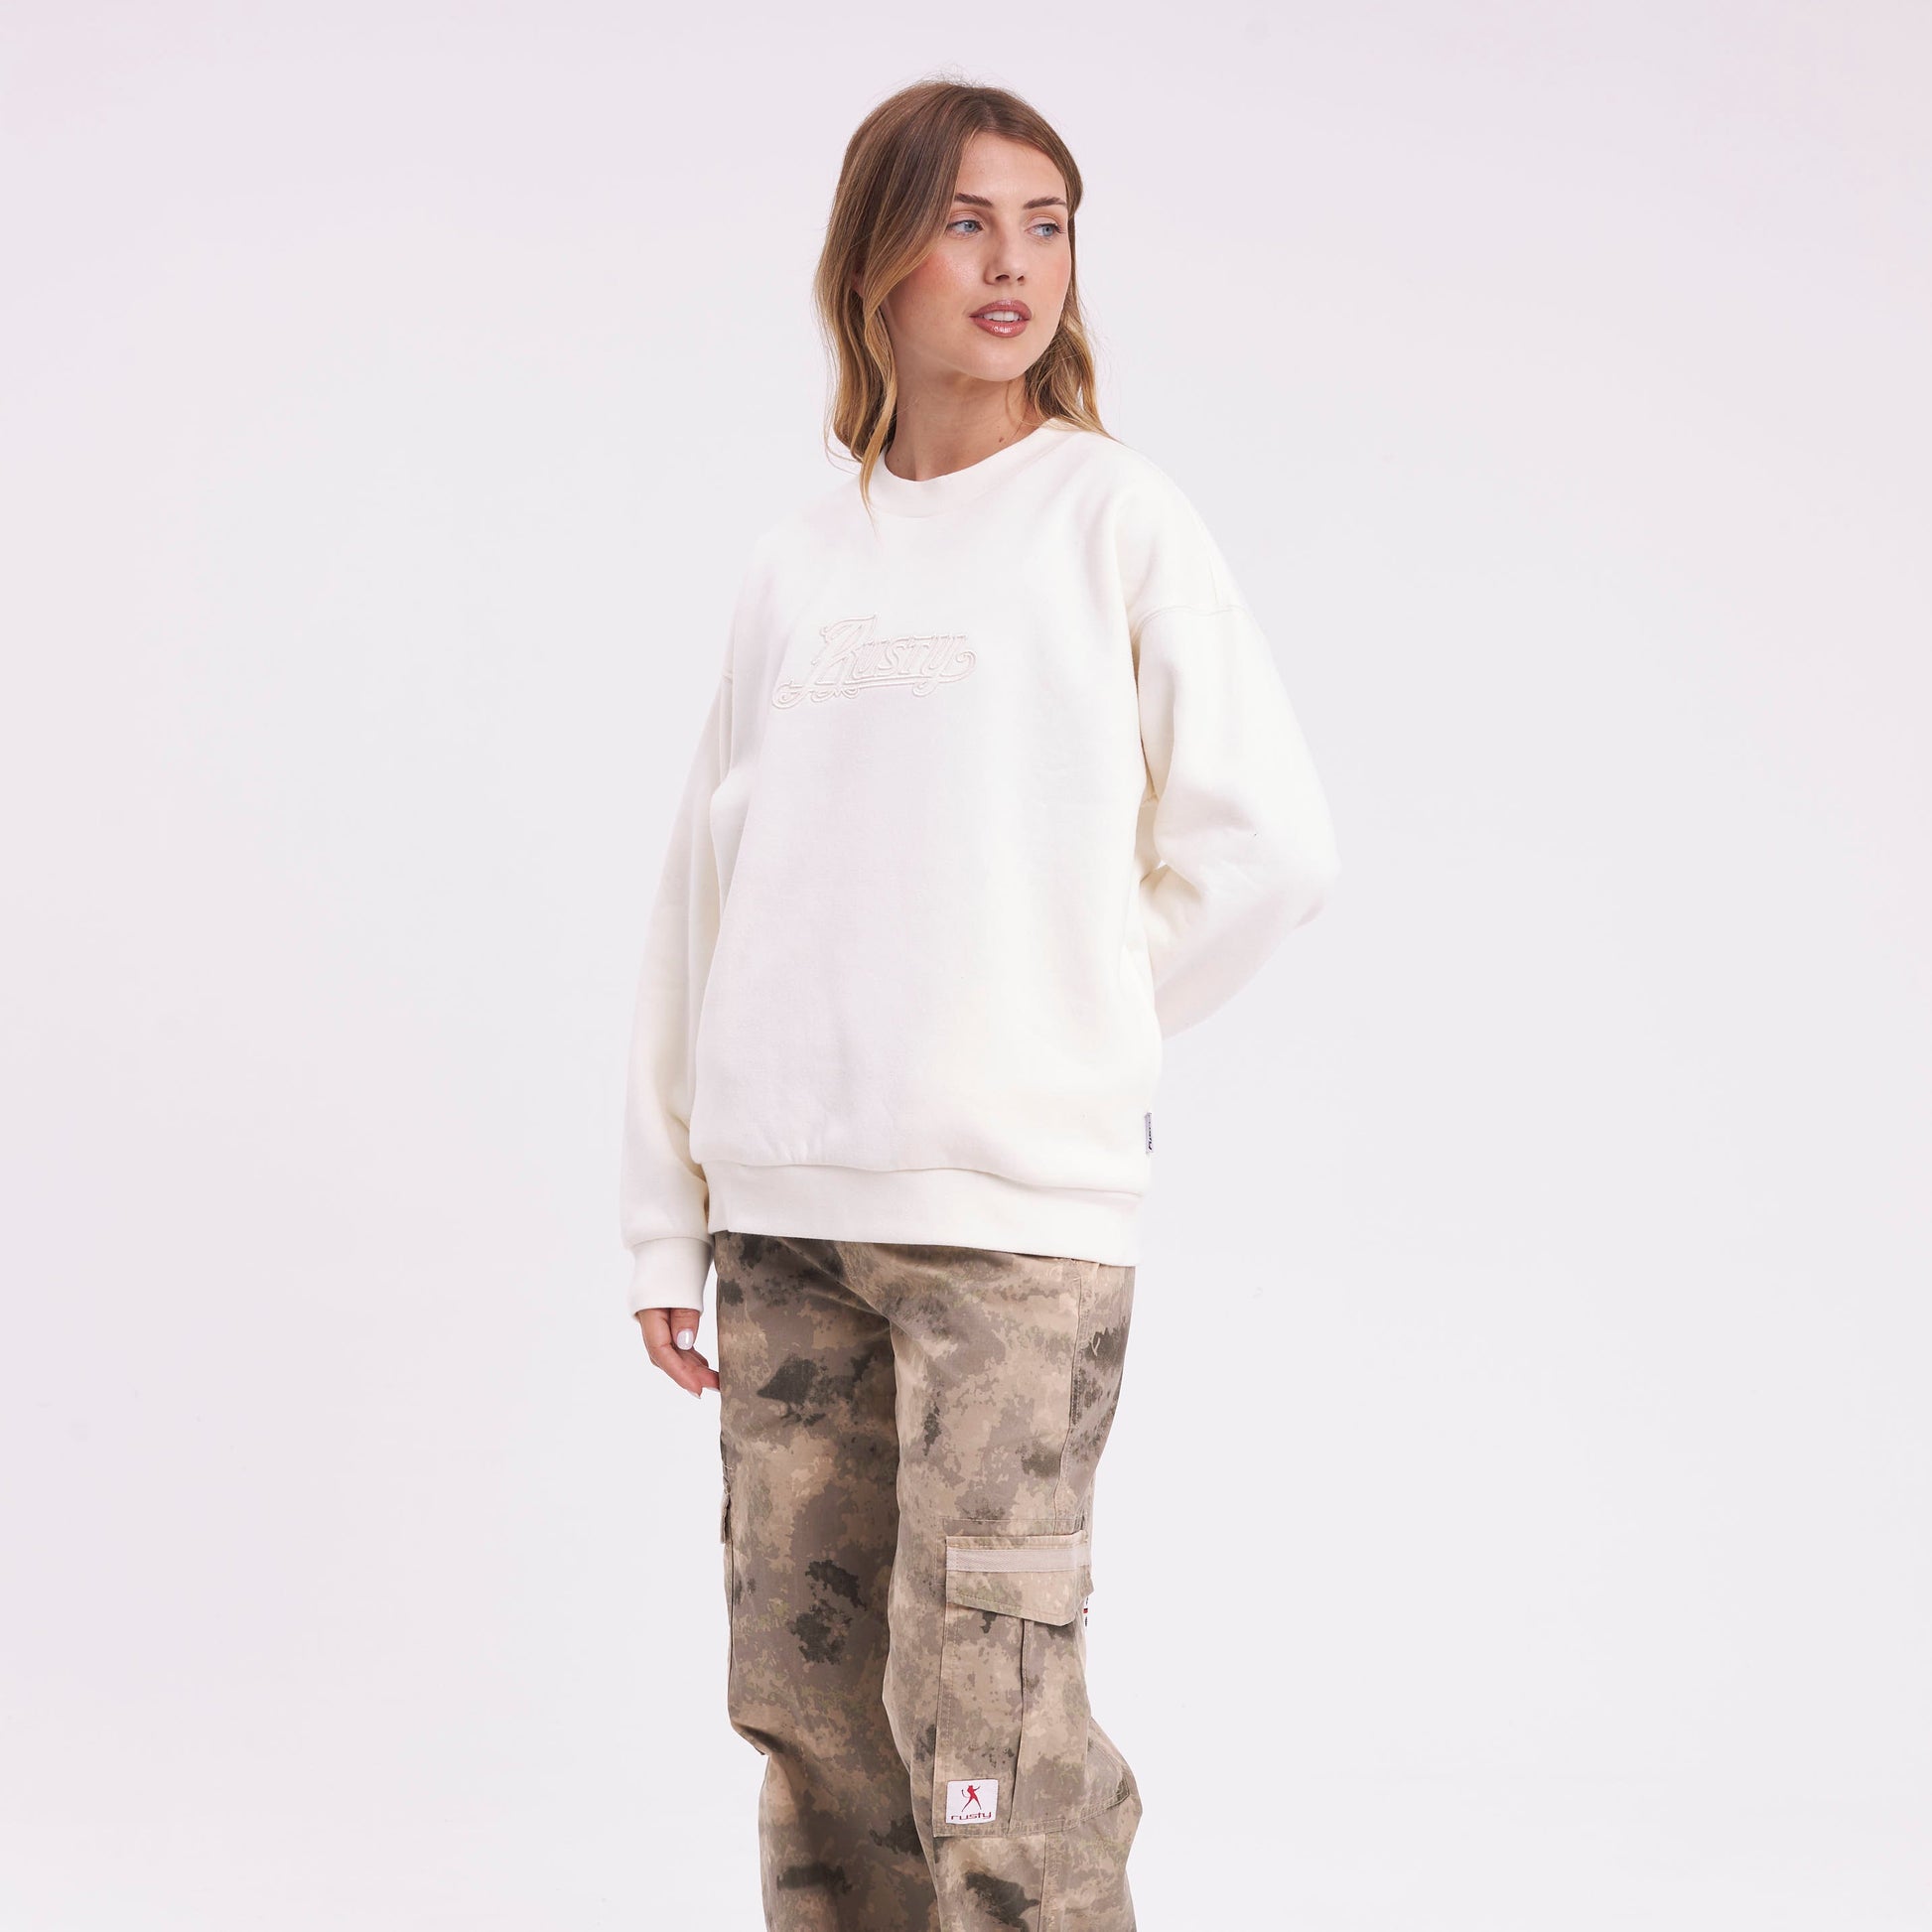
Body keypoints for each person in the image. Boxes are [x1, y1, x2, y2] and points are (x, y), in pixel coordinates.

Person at [619, 77, 1340, 1932]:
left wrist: (1060, 1018)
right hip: (785, 1227)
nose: (1012, 262)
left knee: (988, 1730)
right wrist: (665, 1212)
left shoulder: (1112, 517)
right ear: (873, 260)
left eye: (1046, 222)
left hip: (1008, 1234)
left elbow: (1266, 845)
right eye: (962, 221)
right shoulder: (798, 563)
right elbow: (701, 901)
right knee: (808, 1712)